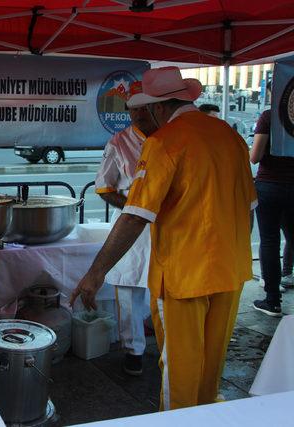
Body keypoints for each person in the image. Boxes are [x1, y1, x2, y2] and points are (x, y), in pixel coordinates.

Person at [70, 67, 256, 410]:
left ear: (158, 107)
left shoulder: (163, 142)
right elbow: (249, 208)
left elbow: (134, 216)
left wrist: (95, 274)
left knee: (179, 370)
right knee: (212, 365)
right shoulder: (229, 136)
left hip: (184, 275)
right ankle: (208, 415)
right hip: (231, 269)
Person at [93, 81, 156, 376]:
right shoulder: (118, 143)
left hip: (170, 227)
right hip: (133, 226)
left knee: (167, 291)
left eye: (145, 109)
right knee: (129, 288)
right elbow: (104, 188)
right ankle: (134, 350)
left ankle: (171, 351)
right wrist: (132, 207)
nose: (139, 115)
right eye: (134, 110)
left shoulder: (174, 139)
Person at [250, 81, 294, 316]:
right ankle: (287, 274)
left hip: (270, 185)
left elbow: (255, 156)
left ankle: (272, 300)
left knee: (269, 242)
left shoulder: (269, 116)